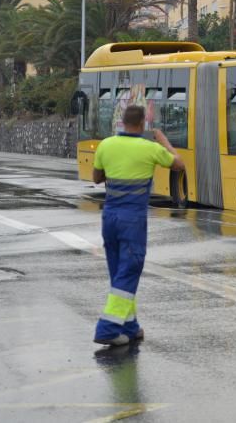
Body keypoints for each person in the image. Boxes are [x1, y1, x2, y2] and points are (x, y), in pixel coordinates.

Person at [91, 105, 185, 345]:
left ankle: (129, 326)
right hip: (132, 220)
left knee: (119, 271)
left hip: (109, 217)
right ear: (143, 123)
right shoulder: (150, 148)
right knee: (130, 270)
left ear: (122, 122)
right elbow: (179, 164)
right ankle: (107, 329)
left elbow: (96, 177)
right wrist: (164, 140)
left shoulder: (106, 145)